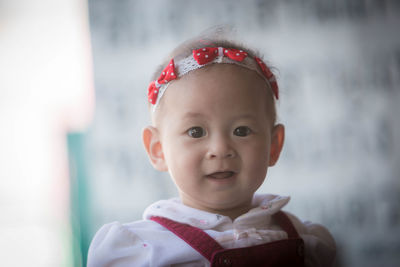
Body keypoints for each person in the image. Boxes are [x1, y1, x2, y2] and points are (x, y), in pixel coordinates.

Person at [87, 33, 336, 266]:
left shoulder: (303, 237)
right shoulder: (138, 248)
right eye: (196, 132)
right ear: (158, 149)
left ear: (274, 145)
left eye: (242, 131)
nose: (220, 149)